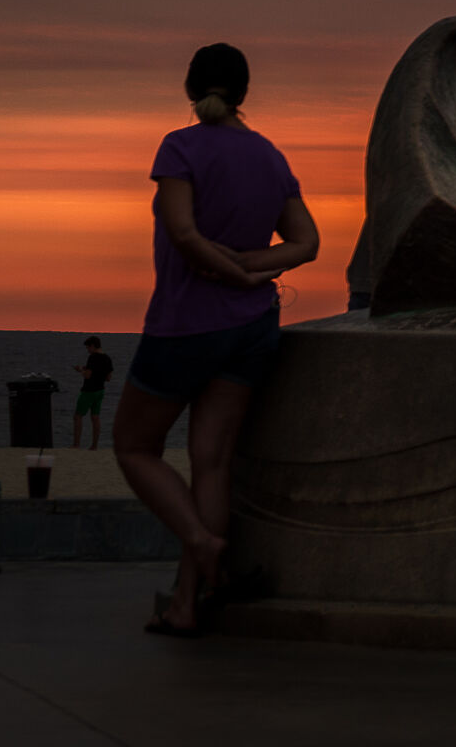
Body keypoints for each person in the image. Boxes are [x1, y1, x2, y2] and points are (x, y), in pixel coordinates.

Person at [115, 44, 320, 637]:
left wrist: (229, 269)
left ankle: (203, 542)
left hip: (185, 325)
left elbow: (182, 230)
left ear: (189, 87)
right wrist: (255, 268)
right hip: (253, 328)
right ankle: (186, 605)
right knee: (212, 463)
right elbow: (305, 244)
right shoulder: (269, 155)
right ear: (244, 93)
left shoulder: (180, 147)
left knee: (133, 447)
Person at [71, 336, 114, 450]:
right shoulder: (107, 358)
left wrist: (80, 370)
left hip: (89, 391)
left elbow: (88, 375)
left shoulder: (93, 358)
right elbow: (108, 377)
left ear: (93, 346)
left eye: (88, 347)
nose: (87, 350)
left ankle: (76, 445)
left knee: (78, 416)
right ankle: (94, 446)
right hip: (100, 391)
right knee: (95, 417)